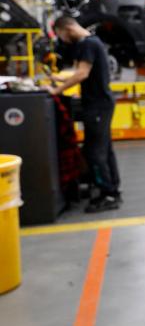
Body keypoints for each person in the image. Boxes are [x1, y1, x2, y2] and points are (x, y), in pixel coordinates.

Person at [48, 16, 121, 212]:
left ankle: (108, 194)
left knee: (94, 153)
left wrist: (57, 90)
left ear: (68, 29)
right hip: (102, 104)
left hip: (97, 106)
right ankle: (112, 189)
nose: (62, 40)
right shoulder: (93, 41)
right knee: (105, 149)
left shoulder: (86, 44)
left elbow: (82, 74)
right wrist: (60, 78)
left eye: (61, 35)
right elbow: (81, 71)